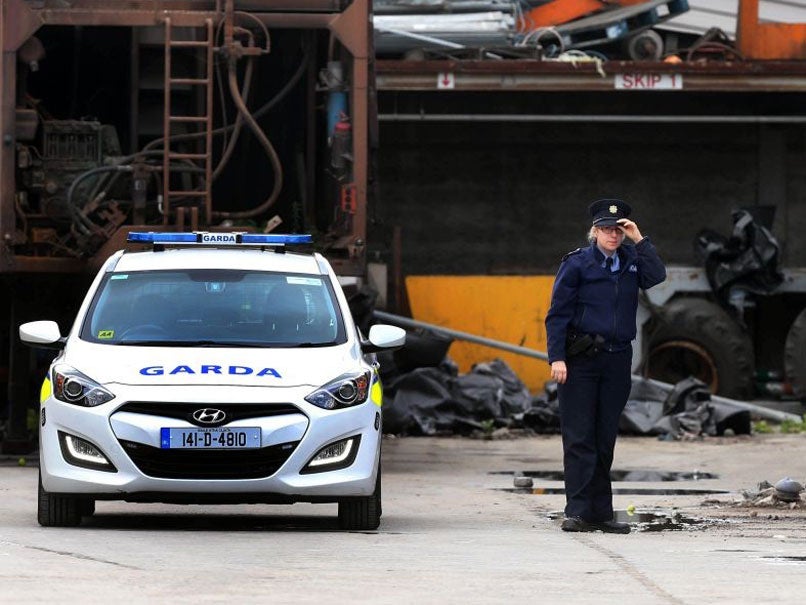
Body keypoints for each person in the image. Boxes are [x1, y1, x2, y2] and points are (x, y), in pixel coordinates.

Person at [545, 198, 666, 534]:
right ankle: (579, 511)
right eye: (607, 229)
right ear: (595, 231)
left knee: (604, 437)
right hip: (581, 360)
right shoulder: (577, 264)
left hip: (616, 358)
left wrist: (639, 239)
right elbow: (557, 315)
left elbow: (657, 276)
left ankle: (601, 513)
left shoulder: (630, 260)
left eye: (618, 229)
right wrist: (557, 357)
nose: (613, 235)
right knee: (579, 436)